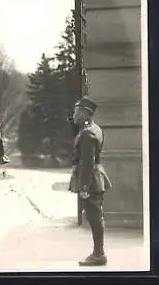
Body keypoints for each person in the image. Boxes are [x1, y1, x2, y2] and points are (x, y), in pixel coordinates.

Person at [69, 96, 112, 266]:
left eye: (77, 112)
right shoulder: (96, 129)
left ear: (86, 114)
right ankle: (98, 252)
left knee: (95, 217)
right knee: (96, 216)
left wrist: (85, 186)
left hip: (91, 179)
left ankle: (99, 254)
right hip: (95, 177)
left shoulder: (87, 133)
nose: (74, 115)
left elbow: (88, 161)